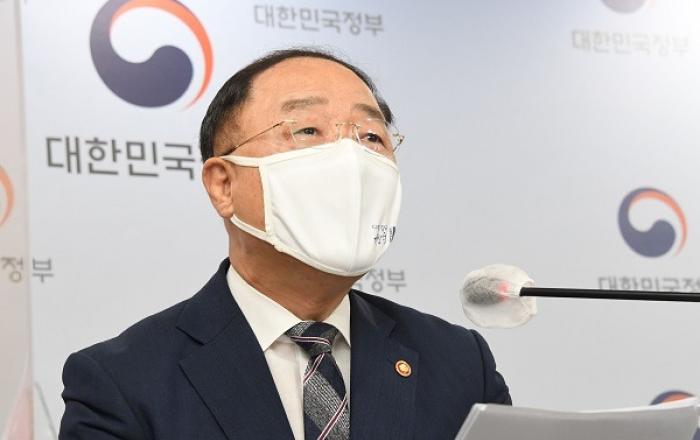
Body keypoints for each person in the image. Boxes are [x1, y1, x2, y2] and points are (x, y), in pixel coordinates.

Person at [59, 48, 511, 440]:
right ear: (223, 185)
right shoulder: (123, 381)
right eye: (308, 130)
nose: (351, 159)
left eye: (372, 137)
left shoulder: (459, 363)